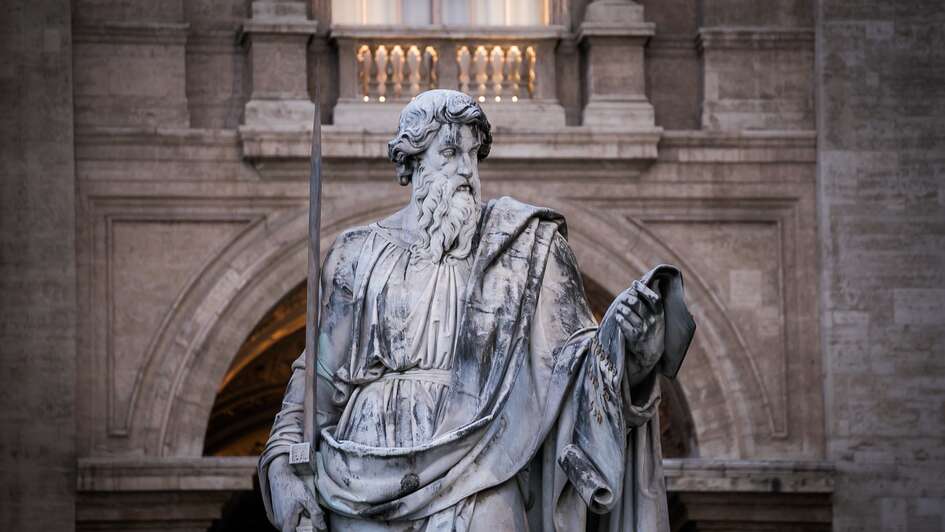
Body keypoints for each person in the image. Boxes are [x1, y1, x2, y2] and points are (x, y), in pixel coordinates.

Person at [258, 89, 694, 532]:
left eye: (473, 154)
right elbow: (319, 382)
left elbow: (569, 372)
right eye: (449, 152)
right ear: (413, 162)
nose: (466, 169)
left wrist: (625, 347)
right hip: (361, 470)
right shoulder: (355, 254)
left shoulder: (526, 246)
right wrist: (282, 465)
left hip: (483, 461)